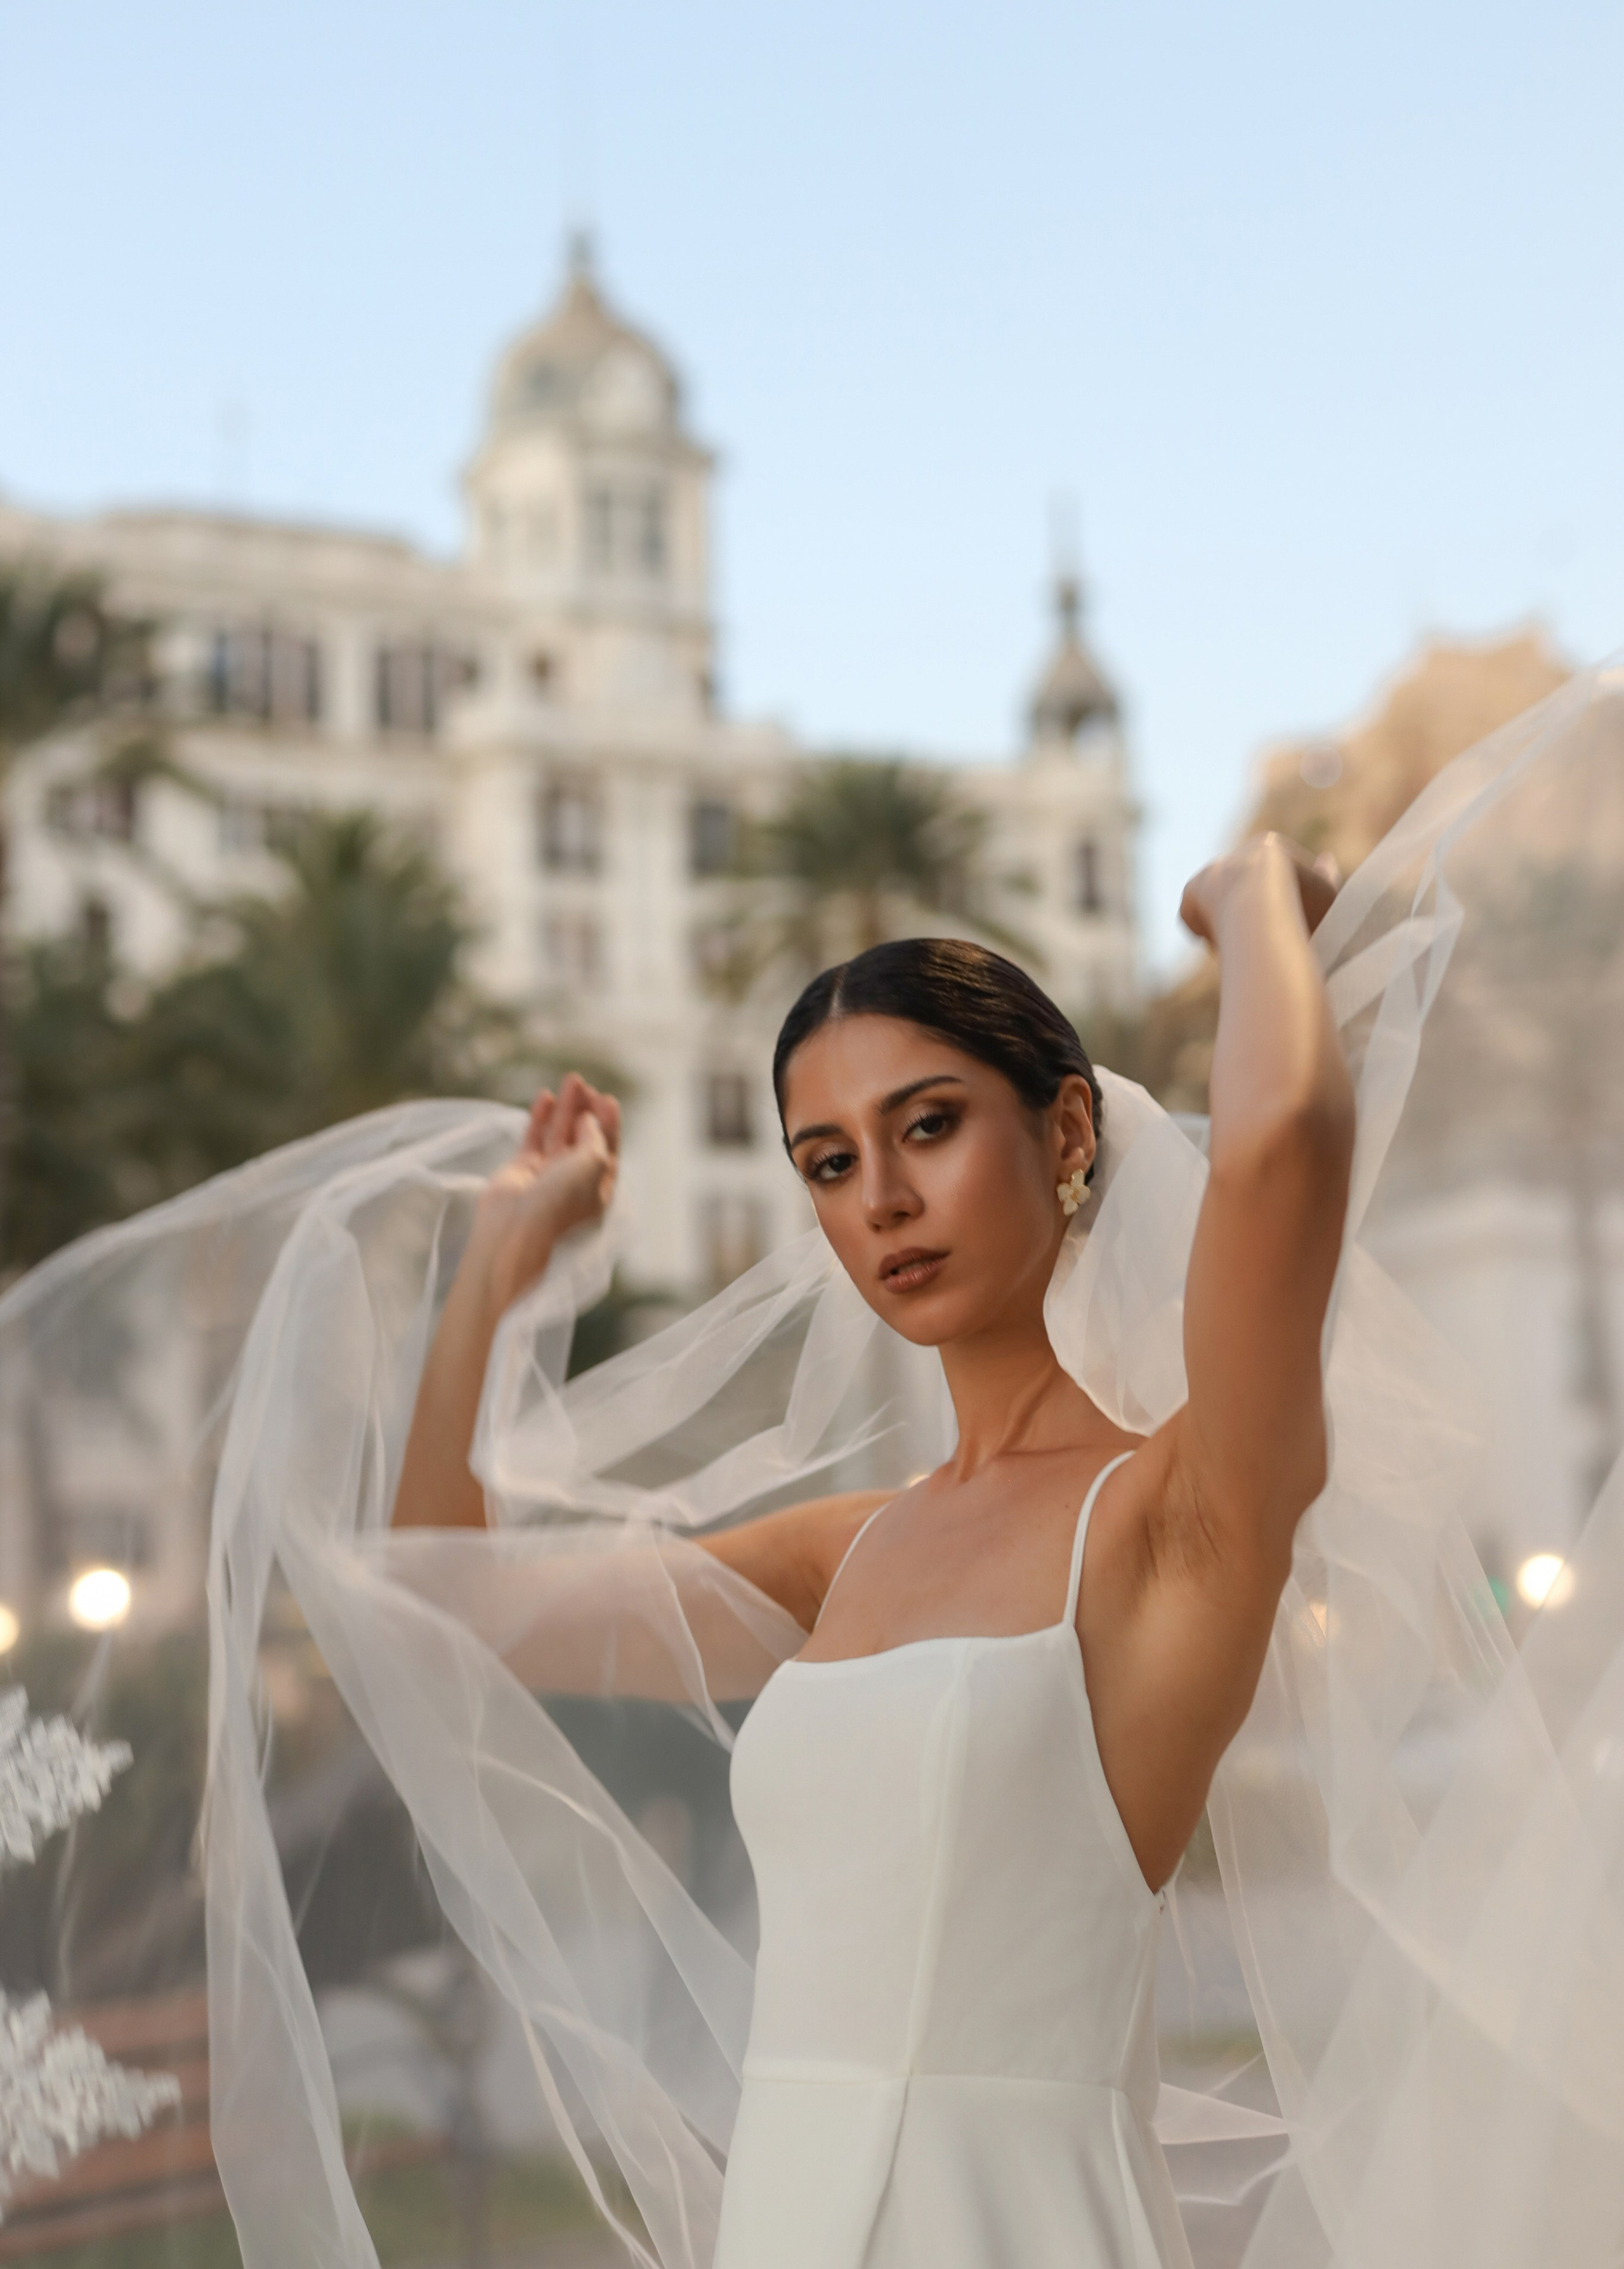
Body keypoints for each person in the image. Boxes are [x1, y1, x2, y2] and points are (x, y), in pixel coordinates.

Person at [391, 832, 1349, 2267]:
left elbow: (1280, 1154)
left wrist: (1256, 896)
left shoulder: (1178, 1512)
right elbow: (441, 1610)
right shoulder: (842, 1554)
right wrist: (496, 1266)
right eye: (830, 1164)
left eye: (929, 1126)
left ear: (1068, 1134)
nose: (882, 1199)